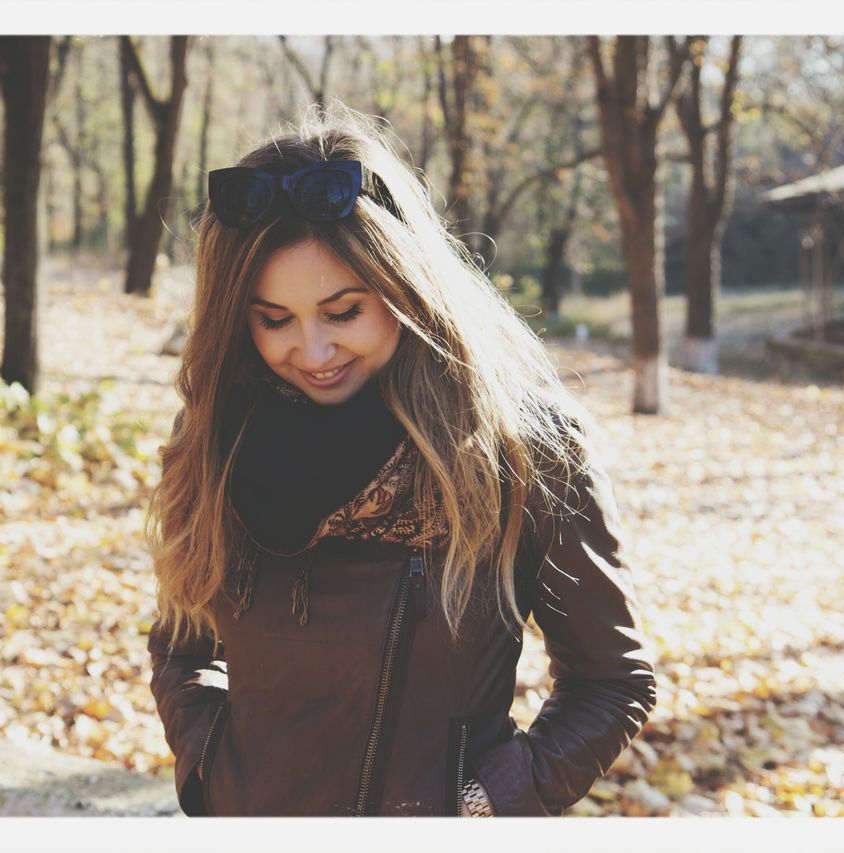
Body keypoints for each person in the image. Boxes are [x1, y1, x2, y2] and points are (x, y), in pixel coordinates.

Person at [144, 103, 656, 817]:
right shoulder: (218, 436)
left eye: (344, 311)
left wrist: (482, 806)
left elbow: (611, 682)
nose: (313, 352)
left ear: (404, 285)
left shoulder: (518, 446)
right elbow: (180, 640)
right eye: (275, 319)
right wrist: (211, 772)